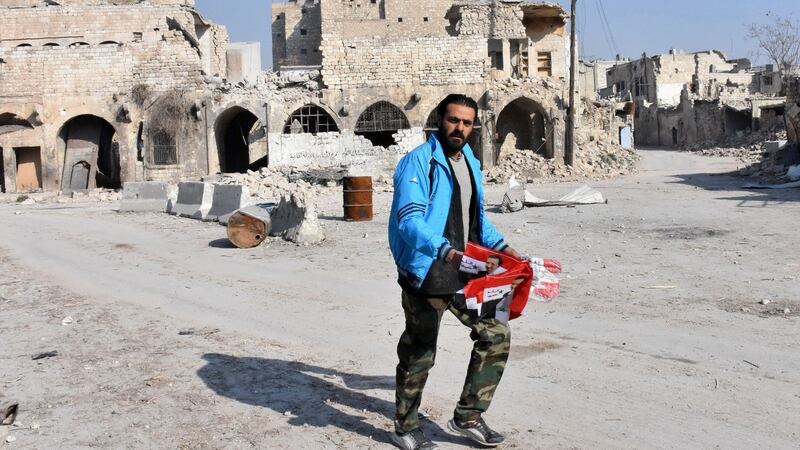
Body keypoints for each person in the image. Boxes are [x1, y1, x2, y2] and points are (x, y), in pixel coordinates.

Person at [388, 94, 522, 450]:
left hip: (465, 271)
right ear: (438, 120)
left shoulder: (470, 162)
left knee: (495, 335)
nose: (459, 128)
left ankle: (468, 415)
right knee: (420, 352)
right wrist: (446, 252)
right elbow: (409, 222)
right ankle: (404, 427)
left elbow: (475, 220)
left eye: (466, 122)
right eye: (453, 120)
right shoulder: (418, 163)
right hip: (426, 273)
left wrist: (506, 250)